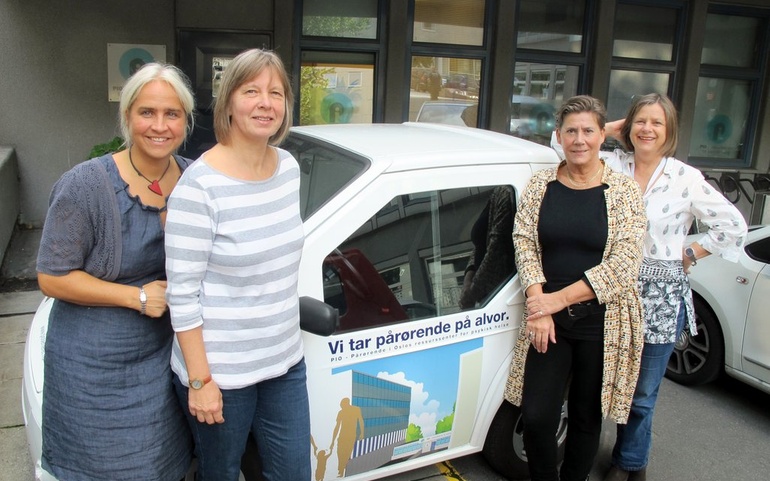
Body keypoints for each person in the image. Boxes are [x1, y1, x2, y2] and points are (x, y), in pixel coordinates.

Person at [36, 63, 196, 480]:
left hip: (165, 362)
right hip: (93, 370)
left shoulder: (197, 179)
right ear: (127, 117)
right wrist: (137, 296)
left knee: (162, 465)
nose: (159, 126)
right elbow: (52, 277)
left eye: (172, 114)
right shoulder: (86, 185)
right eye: (147, 112)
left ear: (186, 120)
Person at [164, 48, 309, 481]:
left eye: (276, 93)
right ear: (228, 102)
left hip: (284, 363)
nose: (266, 103)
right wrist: (200, 381)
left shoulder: (288, 168)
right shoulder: (200, 187)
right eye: (252, 91)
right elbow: (182, 294)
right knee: (222, 473)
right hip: (221, 374)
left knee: (293, 474)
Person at [597, 93, 748, 481]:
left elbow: (733, 226)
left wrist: (691, 253)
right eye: (640, 121)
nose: (648, 129)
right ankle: (626, 455)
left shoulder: (685, 177)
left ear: (670, 131)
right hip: (612, 289)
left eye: (657, 123)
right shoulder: (612, 164)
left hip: (662, 296)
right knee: (606, 383)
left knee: (643, 393)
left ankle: (629, 461)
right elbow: (558, 143)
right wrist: (613, 128)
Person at [504, 95, 647, 481]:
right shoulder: (541, 185)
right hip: (548, 322)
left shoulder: (623, 191)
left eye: (588, 130)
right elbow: (524, 241)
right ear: (559, 136)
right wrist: (540, 303)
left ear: (603, 135)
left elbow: (624, 264)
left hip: (602, 323)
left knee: (586, 417)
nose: (579, 139)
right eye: (571, 131)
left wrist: (554, 301)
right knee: (536, 417)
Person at [459, 185, 516, 309]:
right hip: (487, 296)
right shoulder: (496, 193)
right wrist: (468, 279)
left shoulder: (505, 192)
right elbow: (480, 244)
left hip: (499, 295)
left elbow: (496, 249)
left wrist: (472, 293)